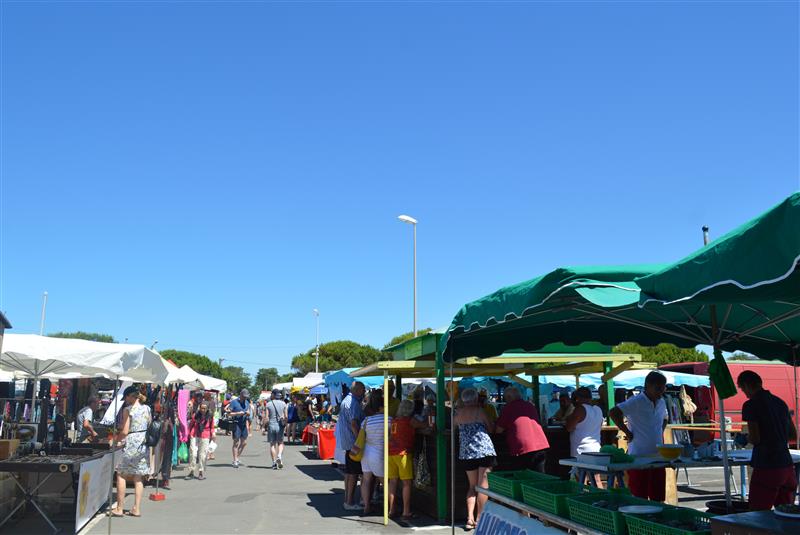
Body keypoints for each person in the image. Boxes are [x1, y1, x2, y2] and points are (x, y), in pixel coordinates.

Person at [737, 370, 798, 510]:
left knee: (757, 514)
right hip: (787, 467)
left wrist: (746, 438)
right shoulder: (780, 403)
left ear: (746, 386)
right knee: (786, 515)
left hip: (767, 465)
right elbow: (793, 436)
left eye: (742, 389)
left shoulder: (751, 405)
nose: (744, 393)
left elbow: (755, 438)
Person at [609, 371, 668, 501]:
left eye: (663, 388)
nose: (661, 392)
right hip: (638, 456)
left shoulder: (661, 402)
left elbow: (665, 418)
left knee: (658, 497)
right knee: (638, 497)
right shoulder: (636, 401)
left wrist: (659, 431)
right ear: (648, 385)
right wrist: (627, 432)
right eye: (658, 388)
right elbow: (613, 413)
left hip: (658, 456)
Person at [454, 388, 496, 531]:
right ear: (476, 399)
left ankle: (469, 518)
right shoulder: (480, 411)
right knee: (483, 487)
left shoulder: (458, 414)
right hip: (484, 451)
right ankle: (479, 519)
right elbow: (491, 428)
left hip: (467, 453)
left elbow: (453, 428)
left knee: (471, 487)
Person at [110, 386, 152, 518]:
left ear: (130, 396)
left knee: (121, 474)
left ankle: (120, 508)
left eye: (126, 397)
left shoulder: (128, 410)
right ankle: (137, 508)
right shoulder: (147, 408)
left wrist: (116, 441)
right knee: (138, 476)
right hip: (143, 443)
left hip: (132, 442)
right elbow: (149, 424)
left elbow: (124, 431)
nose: (125, 400)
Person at [495, 386, 549, 473]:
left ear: (509, 397)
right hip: (540, 445)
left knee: (522, 477)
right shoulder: (530, 405)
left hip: (522, 447)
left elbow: (498, 430)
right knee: (539, 477)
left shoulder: (508, 408)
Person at [388, 399, 426, 519]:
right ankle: (406, 511)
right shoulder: (410, 421)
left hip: (391, 453)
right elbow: (426, 425)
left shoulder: (394, 420)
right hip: (403, 454)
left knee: (392, 482)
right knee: (406, 483)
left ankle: (391, 509)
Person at [334, 380, 365, 511]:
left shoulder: (346, 400)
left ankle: (348, 499)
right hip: (353, 443)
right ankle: (349, 502)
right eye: (363, 390)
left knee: (349, 472)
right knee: (352, 473)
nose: (364, 392)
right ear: (357, 390)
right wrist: (360, 440)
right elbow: (354, 424)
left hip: (348, 442)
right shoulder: (352, 403)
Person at [565, 387, 604, 487]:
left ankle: (583, 500)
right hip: (596, 448)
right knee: (596, 480)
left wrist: (569, 417)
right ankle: (603, 499)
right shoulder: (598, 409)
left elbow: (569, 427)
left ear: (577, 398)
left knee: (581, 481)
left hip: (581, 451)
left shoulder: (580, 409)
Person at [359, 390, 389, 516]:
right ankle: (389, 508)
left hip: (365, 452)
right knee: (385, 482)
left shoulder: (366, 420)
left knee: (366, 480)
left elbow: (362, 435)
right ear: (382, 407)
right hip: (378, 453)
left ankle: (366, 506)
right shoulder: (388, 420)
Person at [187, 401, 215, 480]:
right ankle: (191, 471)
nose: (202, 410)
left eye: (204, 408)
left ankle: (200, 472)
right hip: (195, 434)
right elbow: (191, 424)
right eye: (201, 408)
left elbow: (212, 427)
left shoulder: (210, 416)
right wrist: (188, 434)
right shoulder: (196, 415)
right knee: (193, 453)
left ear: (207, 409)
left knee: (203, 455)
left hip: (205, 435)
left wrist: (213, 434)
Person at [226, 389, 251, 468]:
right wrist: (237, 413)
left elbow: (248, 411)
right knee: (236, 442)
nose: (245, 398)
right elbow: (228, 414)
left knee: (244, 443)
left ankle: (237, 457)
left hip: (243, 424)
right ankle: (235, 460)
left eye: (246, 397)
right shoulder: (234, 402)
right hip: (236, 424)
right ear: (240, 395)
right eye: (244, 397)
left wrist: (248, 413)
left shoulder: (247, 402)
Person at [267, 389, 288, 469]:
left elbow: (266, 417)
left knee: (272, 444)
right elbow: (286, 417)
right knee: (280, 443)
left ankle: (274, 463)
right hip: (280, 426)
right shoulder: (284, 404)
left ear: (273, 395)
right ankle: (279, 456)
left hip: (271, 425)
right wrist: (285, 424)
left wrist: (263, 427)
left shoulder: (268, 404)